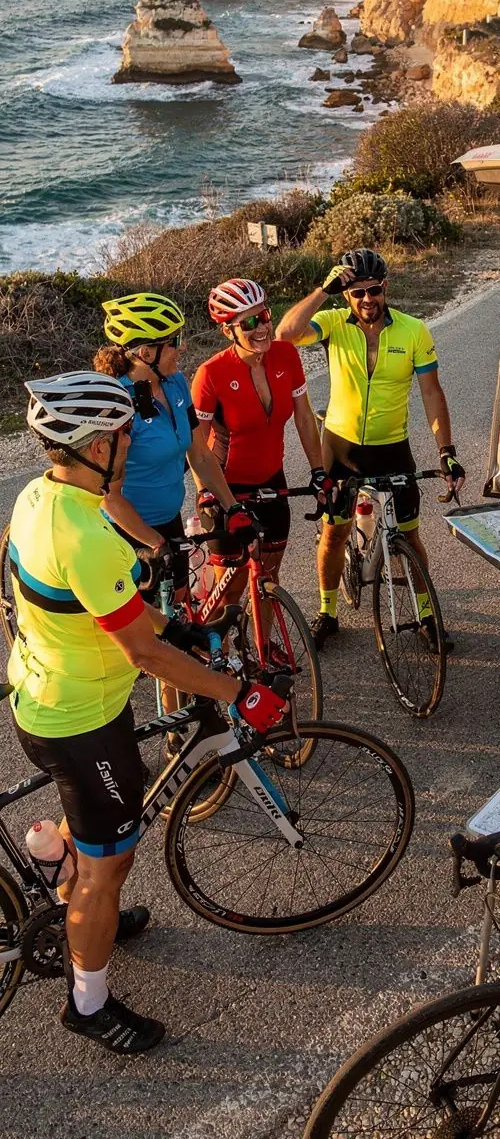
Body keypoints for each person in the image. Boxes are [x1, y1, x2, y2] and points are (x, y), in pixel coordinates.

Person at [7, 372, 288, 1053]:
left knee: (106, 842)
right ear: (96, 443)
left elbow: (109, 609)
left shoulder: (41, 496)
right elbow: (143, 657)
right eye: (122, 430)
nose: (132, 437)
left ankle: (73, 877)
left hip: (48, 690)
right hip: (77, 719)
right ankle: (88, 1001)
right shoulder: (86, 533)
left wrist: (179, 629)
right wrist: (236, 694)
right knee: (111, 862)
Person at [275, 248, 465, 650]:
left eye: (374, 290)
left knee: (410, 538)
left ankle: (428, 615)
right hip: (341, 448)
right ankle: (328, 612)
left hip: (392, 447)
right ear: (346, 295)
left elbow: (432, 393)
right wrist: (323, 291)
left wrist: (446, 450)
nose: (367, 300)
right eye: (357, 292)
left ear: (386, 288)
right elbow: (285, 334)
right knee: (334, 533)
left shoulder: (414, 331)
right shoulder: (331, 323)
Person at [190, 278, 331, 625]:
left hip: (271, 481)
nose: (261, 328)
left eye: (264, 316)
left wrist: (319, 472)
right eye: (248, 323)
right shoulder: (210, 375)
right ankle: (213, 660)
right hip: (225, 489)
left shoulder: (286, 355)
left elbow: (304, 420)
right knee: (233, 588)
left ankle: (267, 653)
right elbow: (196, 449)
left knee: (267, 577)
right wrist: (206, 493)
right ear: (228, 332)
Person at [93, 292, 244, 602]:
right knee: (143, 635)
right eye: (173, 341)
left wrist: (233, 507)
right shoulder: (118, 406)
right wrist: (154, 542)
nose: (182, 347)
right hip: (127, 532)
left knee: (176, 606)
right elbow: (110, 497)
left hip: (167, 520)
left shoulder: (174, 384)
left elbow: (200, 454)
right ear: (146, 353)